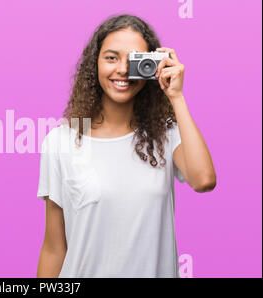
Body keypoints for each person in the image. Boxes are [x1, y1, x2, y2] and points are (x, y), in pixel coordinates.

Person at [36, 14, 216, 278]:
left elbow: (204, 180)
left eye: (134, 60)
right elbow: (54, 248)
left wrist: (176, 97)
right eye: (111, 57)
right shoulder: (60, 142)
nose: (122, 69)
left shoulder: (166, 135)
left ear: (153, 66)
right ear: (94, 64)